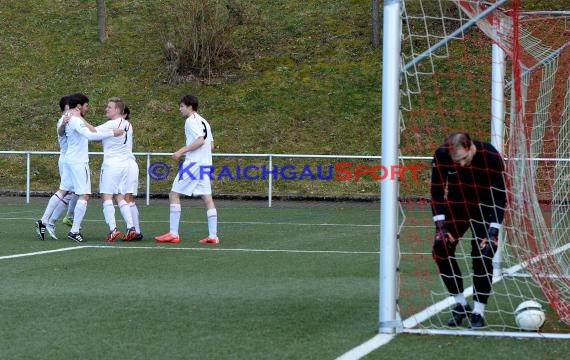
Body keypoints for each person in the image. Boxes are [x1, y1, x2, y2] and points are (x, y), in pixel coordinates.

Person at [430, 131, 506, 328]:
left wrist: (494, 231)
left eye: (464, 159)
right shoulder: (441, 154)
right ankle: (460, 305)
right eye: (457, 162)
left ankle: (478, 312)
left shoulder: (491, 155)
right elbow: (437, 191)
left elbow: (500, 195)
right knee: (441, 249)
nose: (462, 165)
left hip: (485, 208)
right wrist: (441, 227)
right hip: (457, 207)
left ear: (470, 146)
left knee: (483, 253)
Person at [36, 93, 124, 243]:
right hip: (78, 161)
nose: (87, 108)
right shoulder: (75, 119)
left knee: (63, 191)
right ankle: (74, 230)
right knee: (84, 195)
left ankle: (44, 221)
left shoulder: (69, 118)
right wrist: (112, 133)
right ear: (79, 106)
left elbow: (81, 131)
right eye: (86, 106)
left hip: (69, 159)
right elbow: (89, 135)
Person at [154, 94, 218, 245]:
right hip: (205, 164)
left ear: (189, 106)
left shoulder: (190, 121)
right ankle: (213, 236)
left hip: (193, 164)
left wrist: (181, 151)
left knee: (174, 194)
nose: (180, 109)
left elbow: (200, 141)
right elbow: (212, 145)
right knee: (207, 198)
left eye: (182, 106)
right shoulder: (204, 121)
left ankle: (173, 233)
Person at [36, 95, 78, 240]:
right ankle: (47, 221)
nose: (75, 108)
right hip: (67, 161)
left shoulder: (70, 119)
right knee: (67, 191)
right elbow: (60, 131)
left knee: (72, 193)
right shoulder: (64, 120)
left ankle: (49, 221)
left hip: (70, 160)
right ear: (67, 107)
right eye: (72, 106)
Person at [96, 97, 137, 242]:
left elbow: (93, 131)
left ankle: (113, 229)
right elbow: (102, 136)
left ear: (118, 110)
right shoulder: (128, 124)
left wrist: (79, 119)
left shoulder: (111, 123)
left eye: (109, 107)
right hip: (125, 164)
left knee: (106, 196)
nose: (106, 109)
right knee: (120, 195)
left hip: (112, 164)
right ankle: (131, 227)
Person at [122, 106, 143, 241]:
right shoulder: (124, 125)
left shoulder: (124, 125)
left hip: (127, 165)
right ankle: (136, 230)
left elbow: (97, 135)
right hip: (126, 165)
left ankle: (134, 230)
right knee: (127, 198)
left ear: (124, 114)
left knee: (126, 198)